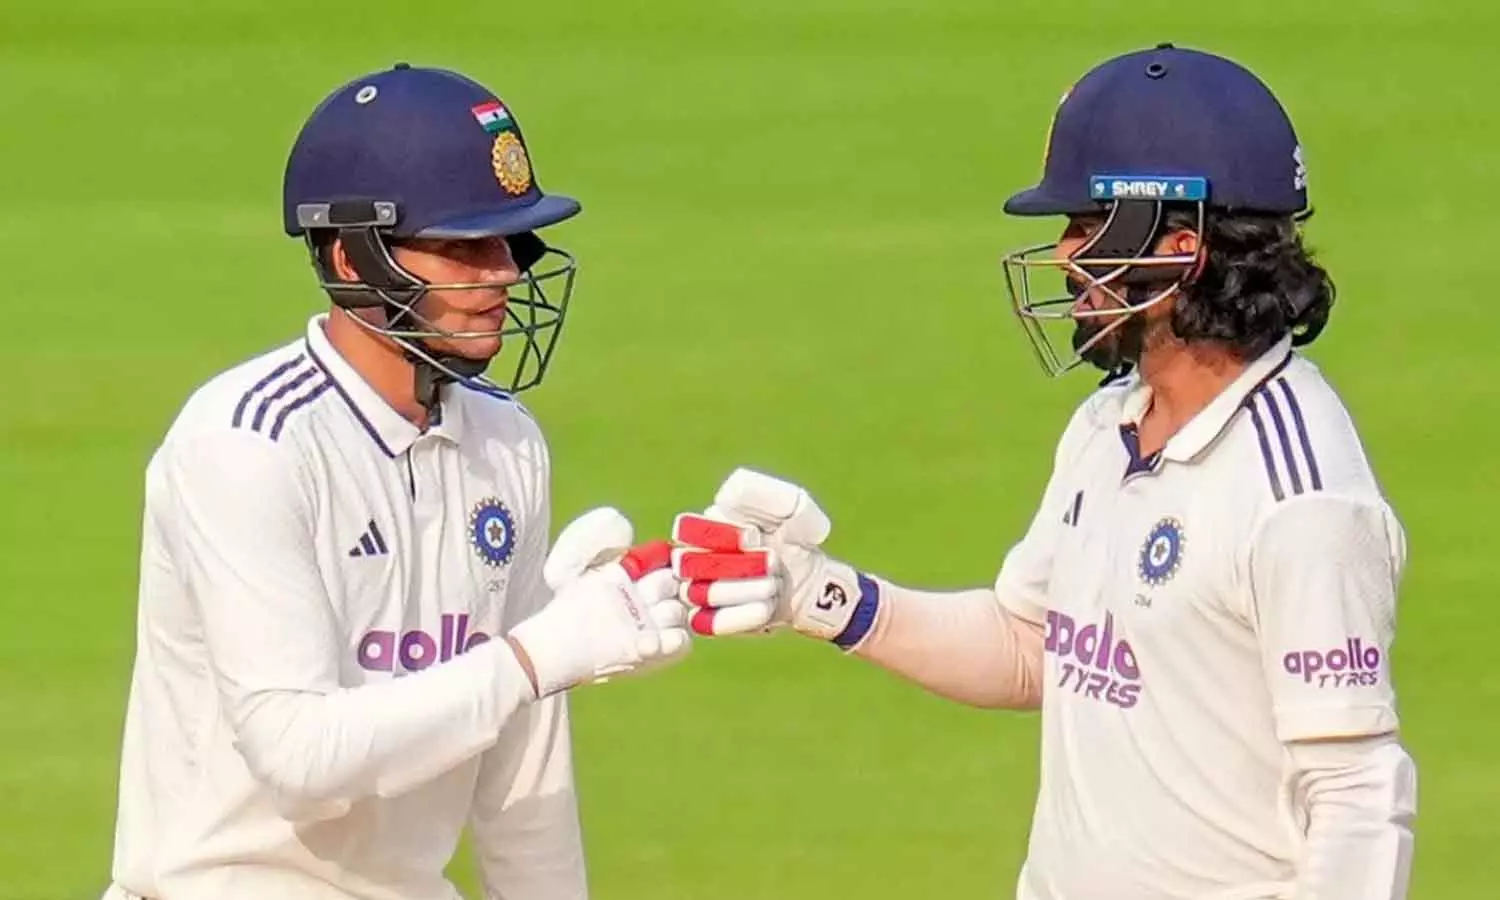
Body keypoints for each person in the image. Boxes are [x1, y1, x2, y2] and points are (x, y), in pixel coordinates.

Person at [668, 44, 1416, 900]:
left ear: (1182, 249)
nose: (1064, 258)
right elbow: (1031, 647)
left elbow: (1358, 794)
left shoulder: (1301, 497)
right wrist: (820, 595)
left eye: (1087, 228)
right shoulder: (1110, 422)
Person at [101, 63, 690, 900]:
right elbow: (298, 753)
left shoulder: (508, 441)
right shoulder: (247, 443)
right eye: (462, 247)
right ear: (352, 256)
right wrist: (535, 657)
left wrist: (540, 666)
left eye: (511, 243)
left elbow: (522, 776)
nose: (503, 273)